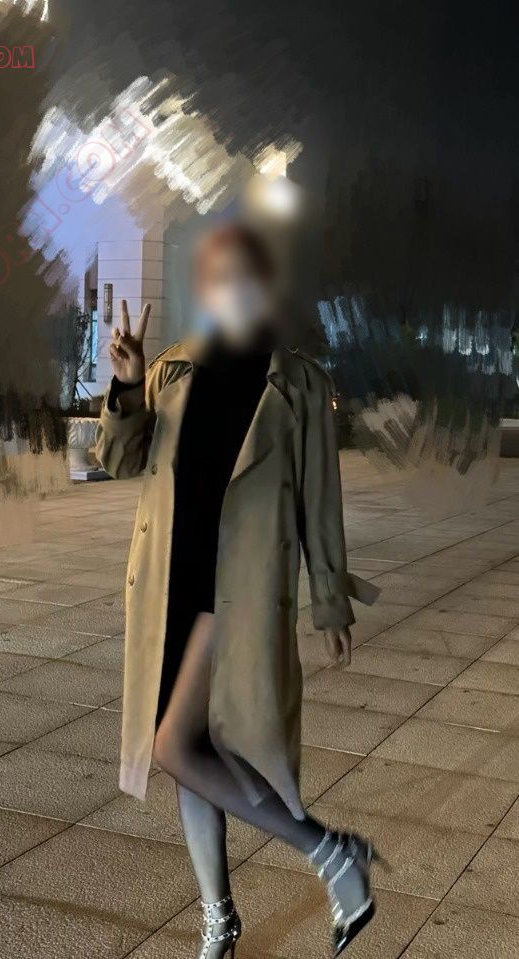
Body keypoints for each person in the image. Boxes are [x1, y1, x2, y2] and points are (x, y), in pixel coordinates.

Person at [95, 222, 382, 958]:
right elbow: (120, 460)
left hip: (241, 591)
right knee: (191, 753)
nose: (233, 288)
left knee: (172, 745)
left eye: (246, 275)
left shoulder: (300, 384)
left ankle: (331, 852)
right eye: (219, 276)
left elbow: (319, 499)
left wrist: (329, 595)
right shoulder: (170, 370)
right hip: (170, 582)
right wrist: (124, 384)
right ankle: (219, 920)